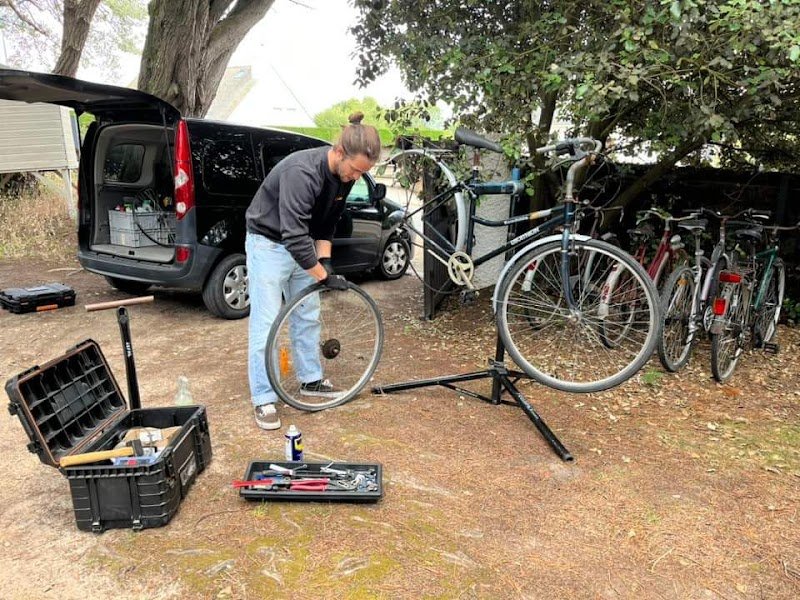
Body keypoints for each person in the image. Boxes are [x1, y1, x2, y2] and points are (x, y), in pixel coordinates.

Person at [244, 112, 382, 430]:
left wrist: (326, 262)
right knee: (267, 323)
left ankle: (311, 380)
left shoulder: (345, 177)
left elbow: (326, 224)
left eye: (363, 173)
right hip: (268, 244)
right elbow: (292, 233)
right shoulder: (301, 172)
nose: (357, 177)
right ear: (339, 152)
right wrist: (321, 275)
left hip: (302, 245)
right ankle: (264, 398)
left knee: (308, 315)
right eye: (356, 169)